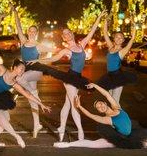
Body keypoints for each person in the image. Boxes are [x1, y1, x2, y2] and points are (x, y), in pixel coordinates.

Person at [33, 11, 106, 142]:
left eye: (69, 32)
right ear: (64, 38)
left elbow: (91, 31)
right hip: (70, 78)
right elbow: (54, 58)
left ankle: (61, 128)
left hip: (78, 77)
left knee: (67, 104)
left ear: (72, 34)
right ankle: (80, 132)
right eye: (65, 34)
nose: (67, 35)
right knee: (74, 104)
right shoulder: (67, 50)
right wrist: (38, 61)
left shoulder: (82, 44)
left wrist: (99, 17)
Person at [0, 46, 51, 147]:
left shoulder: (14, 83)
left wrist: (41, 104)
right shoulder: (2, 70)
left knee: (7, 117)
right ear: (14, 67)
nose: (22, 71)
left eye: (24, 70)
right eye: (21, 68)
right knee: (3, 120)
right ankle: (17, 137)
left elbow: (28, 94)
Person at [54, 83, 147, 149]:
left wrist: (95, 86)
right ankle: (67, 145)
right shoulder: (106, 119)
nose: (100, 107)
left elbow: (106, 94)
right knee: (93, 144)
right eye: (98, 108)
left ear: (105, 104)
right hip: (118, 138)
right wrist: (79, 107)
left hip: (131, 135)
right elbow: (90, 116)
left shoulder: (116, 107)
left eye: (101, 104)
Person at [11, 4, 52, 138]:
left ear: (37, 33)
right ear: (28, 32)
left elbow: (52, 52)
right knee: (32, 100)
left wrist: (41, 61)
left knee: (19, 79)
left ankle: (34, 93)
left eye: (34, 31)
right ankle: (37, 124)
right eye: (30, 31)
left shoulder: (38, 45)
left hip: (36, 71)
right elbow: (18, 26)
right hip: (27, 72)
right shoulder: (23, 41)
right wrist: (16, 13)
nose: (32, 33)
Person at [96, 14, 137, 103]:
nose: (118, 39)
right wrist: (106, 21)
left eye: (121, 37)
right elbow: (105, 33)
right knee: (110, 99)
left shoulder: (122, 51)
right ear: (114, 38)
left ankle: (119, 116)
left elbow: (132, 38)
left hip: (118, 77)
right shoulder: (110, 47)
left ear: (123, 40)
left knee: (115, 101)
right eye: (117, 37)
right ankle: (114, 116)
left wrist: (133, 24)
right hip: (109, 76)